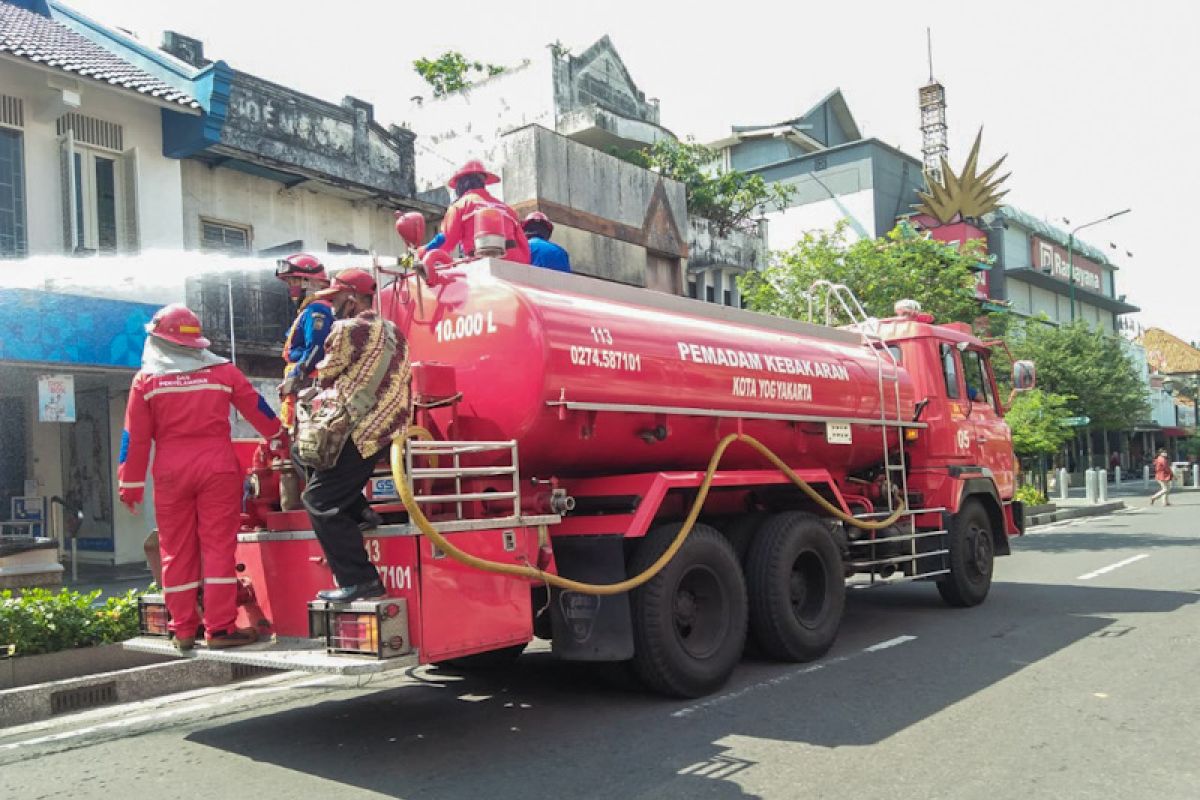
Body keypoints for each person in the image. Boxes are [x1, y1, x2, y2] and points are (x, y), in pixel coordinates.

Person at [118, 304, 286, 651]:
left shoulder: (147, 381)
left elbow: (133, 438)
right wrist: (279, 438)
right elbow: (258, 408)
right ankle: (220, 628)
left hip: (170, 471)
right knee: (217, 548)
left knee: (175, 551)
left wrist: (129, 485)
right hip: (217, 468)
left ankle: (182, 629)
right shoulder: (222, 371)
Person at [301, 269, 412, 602]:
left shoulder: (346, 330)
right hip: (390, 430)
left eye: (335, 298)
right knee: (305, 458)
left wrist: (301, 385)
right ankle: (360, 510)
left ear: (351, 299)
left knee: (318, 500)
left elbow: (326, 375)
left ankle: (361, 580)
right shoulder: (394, 331)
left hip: (358, 430)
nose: (332, 304)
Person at [422, 159, 531, 264]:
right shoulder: (507, 210)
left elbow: (446, 240)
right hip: (516, 270)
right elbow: (525, 249)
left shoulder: (460, 205)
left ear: (462, 184)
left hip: (481, 265)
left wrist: (423, 251)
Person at [276, 254, 335, 429]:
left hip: (308, 386)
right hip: (306, 386)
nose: (291, 288)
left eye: (293, 282)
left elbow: (316, 350)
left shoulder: (317, 309)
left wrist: (294, 378)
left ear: (307, 282)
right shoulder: (313, 309)